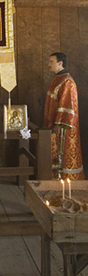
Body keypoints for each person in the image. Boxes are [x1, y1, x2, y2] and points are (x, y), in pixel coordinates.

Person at [43, 52, 84, 180]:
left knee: (62, 152)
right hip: (53, 124)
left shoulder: (67, 81)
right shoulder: (58, 79)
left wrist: (58, 124)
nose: (49, 65)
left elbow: (66, 105)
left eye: (51, 62)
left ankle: (66, 178)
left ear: (60, 63)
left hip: (62, 127)